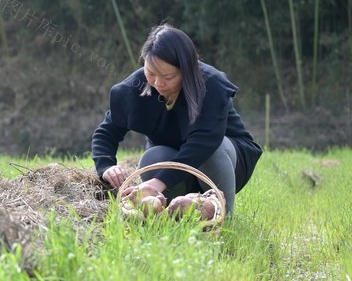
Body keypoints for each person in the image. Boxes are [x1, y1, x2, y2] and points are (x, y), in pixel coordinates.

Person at [92, 24, 262, 215]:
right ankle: (177, 212)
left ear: (186, 70)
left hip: (226, 162)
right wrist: (106, 165)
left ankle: (222, 213)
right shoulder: (135, 87)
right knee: (153, 157)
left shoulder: (211, 85)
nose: (158, 83)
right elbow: (106, 133)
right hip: (176, 168)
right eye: (151, 73)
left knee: (212, 151)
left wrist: (158, 182)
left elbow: (203, 143)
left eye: (168, 76)